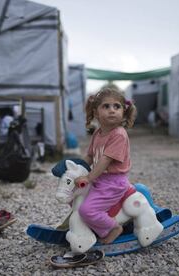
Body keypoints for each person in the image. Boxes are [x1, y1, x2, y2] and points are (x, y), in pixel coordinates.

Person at [74, 87, 137, 244]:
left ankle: (113, 227)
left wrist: (88, 177)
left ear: (123, 111)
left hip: (113, 182)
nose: (112, 110)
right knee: (75, 197)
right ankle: (86, 227)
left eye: (117, 106)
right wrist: (75, 169)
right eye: (106, 106)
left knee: (86, 210)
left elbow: (105, 160)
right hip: (100, 179)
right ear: (96, 112)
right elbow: (90, 156)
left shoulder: (119, 134)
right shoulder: (98, 133)